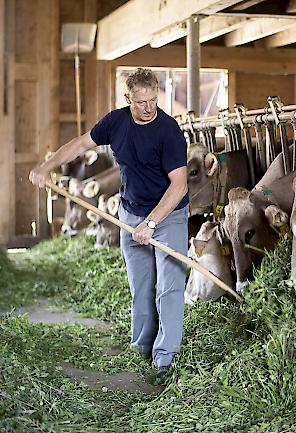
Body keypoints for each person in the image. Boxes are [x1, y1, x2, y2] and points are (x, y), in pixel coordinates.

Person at [30, 68, 189, 381]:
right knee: (141, 287)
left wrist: (153, 223)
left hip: (168, 216)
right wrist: (45, 167)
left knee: (168, 288)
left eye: (154, 100)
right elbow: (78, 145)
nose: (149, 108)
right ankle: (140, 349)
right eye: (141, 102)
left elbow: (180, 185)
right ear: (127, 98)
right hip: (131, 216)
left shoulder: (169, 131)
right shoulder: (115, 122)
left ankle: (165, 360)